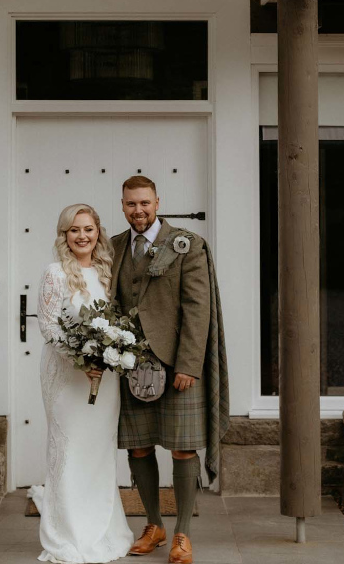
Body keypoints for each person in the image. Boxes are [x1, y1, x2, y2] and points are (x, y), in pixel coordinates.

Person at [111, 176, 229, 564]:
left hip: (177, 364)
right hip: (131, 365)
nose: (138, 211)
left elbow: (198, 309)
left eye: (144, 203)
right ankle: (154, 524)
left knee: (182, 448)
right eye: (131, 204)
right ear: (123, 205)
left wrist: (190, 364)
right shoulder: (113, 247)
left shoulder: (186, 245)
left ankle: (182, 533)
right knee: (139, 446)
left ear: (158, 202)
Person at [31, 203, 133, 564]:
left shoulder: (107, 273)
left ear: (97, 232)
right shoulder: (54, 273)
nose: (82, 236)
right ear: (64, 235)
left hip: (104, 380)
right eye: (74, 230)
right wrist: (83, 359)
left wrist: (106, 358)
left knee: (98, 451)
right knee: (68, 448)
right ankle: (66, 534)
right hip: (65, 377)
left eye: (88, 229)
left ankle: (103, 529)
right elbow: (48, 327)